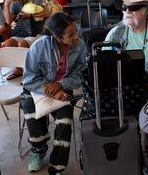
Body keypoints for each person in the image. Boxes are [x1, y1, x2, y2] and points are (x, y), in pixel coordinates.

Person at [21, 12, 86, 175]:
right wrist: (48, 90)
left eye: (76, 31)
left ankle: (57, 165)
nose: (76, 37)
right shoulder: (39, 47)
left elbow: (80, 74)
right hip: (36, 88)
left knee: (65, 120)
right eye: (71, 34)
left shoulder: (80, 46)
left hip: (62, 88)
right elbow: (29, 78)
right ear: (57, 36)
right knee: (29, 108)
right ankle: (38, 149)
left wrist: (59, 85)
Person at [3, 0, 48, 80]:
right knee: (8, 43)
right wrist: (6, 5)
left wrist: (30, 15)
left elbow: (46, 13)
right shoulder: (13, 3)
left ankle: (32, 72)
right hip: (22, 32)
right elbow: (9, 21)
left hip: (37, 32)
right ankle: (19, 69)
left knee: (22, 44)